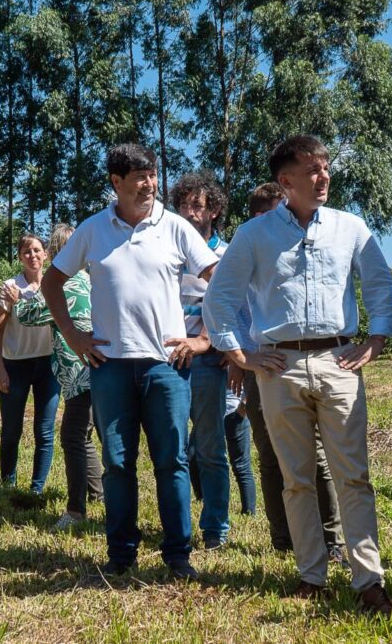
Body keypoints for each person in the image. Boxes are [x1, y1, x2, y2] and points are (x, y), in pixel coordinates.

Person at [204, 135, 392, 614]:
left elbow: (377, 283)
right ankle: (311, 575)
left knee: (354, 476)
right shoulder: (254, 235)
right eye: (312, 169)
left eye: (326, 166)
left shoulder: (351, 227)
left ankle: (367, 580)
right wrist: (241, 355)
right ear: (285, 181)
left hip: (339, 361)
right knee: (296, 478)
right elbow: (220, 299)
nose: (324, 176)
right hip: (280, 366)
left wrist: (376, 338)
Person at [43, 143, 218, 580]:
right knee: (118, 464)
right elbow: (52, 282)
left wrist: (206, 338)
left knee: (172, 461)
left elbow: (221, 282)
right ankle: (121, 554)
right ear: (116, 183)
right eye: (139, 177)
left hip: (167, 366)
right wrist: (73, 335)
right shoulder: (92, 230)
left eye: (153, 174)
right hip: (110, 368)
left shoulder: (176, 228)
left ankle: (178, 555)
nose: (149, 184)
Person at [235, 182, 347, 560]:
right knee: (270, 455)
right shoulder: (249, 248)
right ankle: (283, 539)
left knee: (314, 456)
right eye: (262, 217)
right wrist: (240, 361)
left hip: (305, 362)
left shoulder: (301, 251)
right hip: (259, 363)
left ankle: (330, 539)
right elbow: (229, 308)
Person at [4, 224, 103, 531]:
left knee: (72, 437)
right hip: (104, 370)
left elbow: (30, 316)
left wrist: (19, 298)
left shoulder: (64, 285)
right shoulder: (91, 280)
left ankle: (75, 511)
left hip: (80, 374)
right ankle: (100, 494)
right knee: (86, 436)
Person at [172, 171, 234, 549]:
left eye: (197, 205)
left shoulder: (226, 254)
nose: (189, 212)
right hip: (169, 360)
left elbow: (235, 303)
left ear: (214, 211)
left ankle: (215, 529)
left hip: (208, 362)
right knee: (174, 448)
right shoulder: (168, 249)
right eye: (183, 205)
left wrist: (208, 341)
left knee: (210, 448)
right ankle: (177, 525)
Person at [0, 234, 60, 494]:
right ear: (20, 257)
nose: (32, 255)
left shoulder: (56, 284)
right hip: (15, 365)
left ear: (45, 254)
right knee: (12, 429)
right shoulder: (10, 287)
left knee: (44, 430)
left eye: (36, 250)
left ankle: (37, 489)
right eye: (26, 252)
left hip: (49, 366)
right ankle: (8, 484)